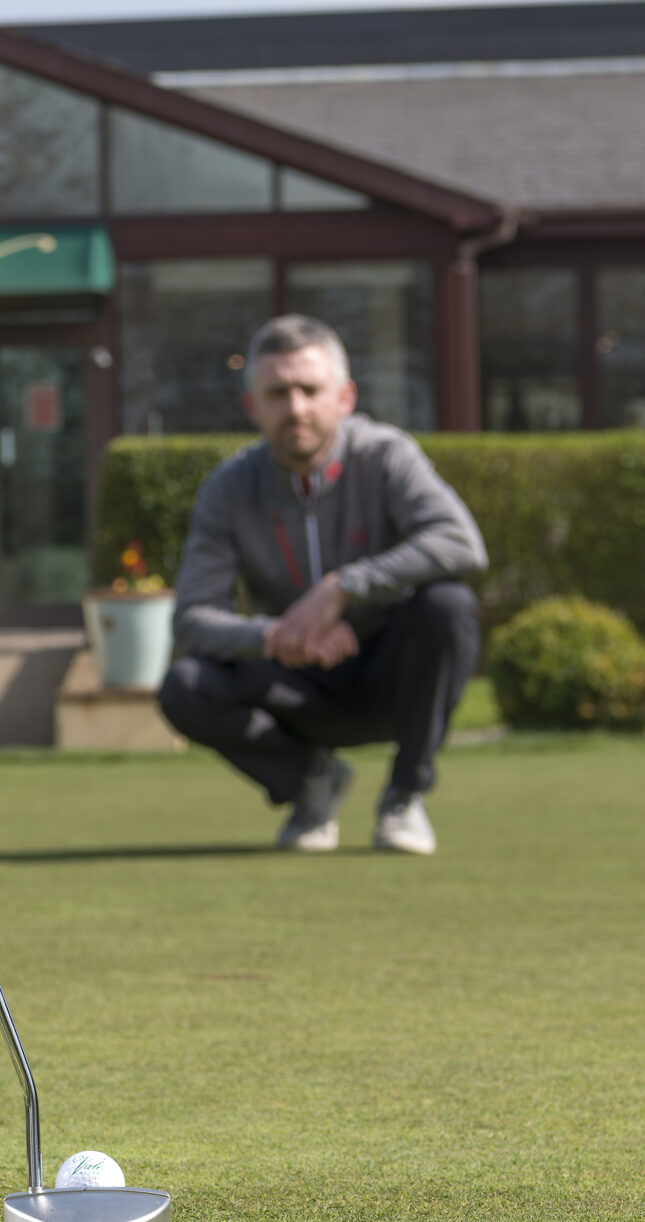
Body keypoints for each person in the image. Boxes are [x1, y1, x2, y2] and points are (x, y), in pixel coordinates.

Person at [156, 316, 488, 856]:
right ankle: (313, 781)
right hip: (296, 686)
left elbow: (461, 542)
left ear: (345, 396)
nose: (296, 408)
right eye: (278, 393)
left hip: (387, 677)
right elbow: (192, 616)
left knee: (448, 605)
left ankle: (404, 795)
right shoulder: (228, 488)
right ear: (253, 408)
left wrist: (343, 587)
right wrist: (278, 636)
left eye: (310, 390)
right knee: (185, 686)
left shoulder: (386, 455)